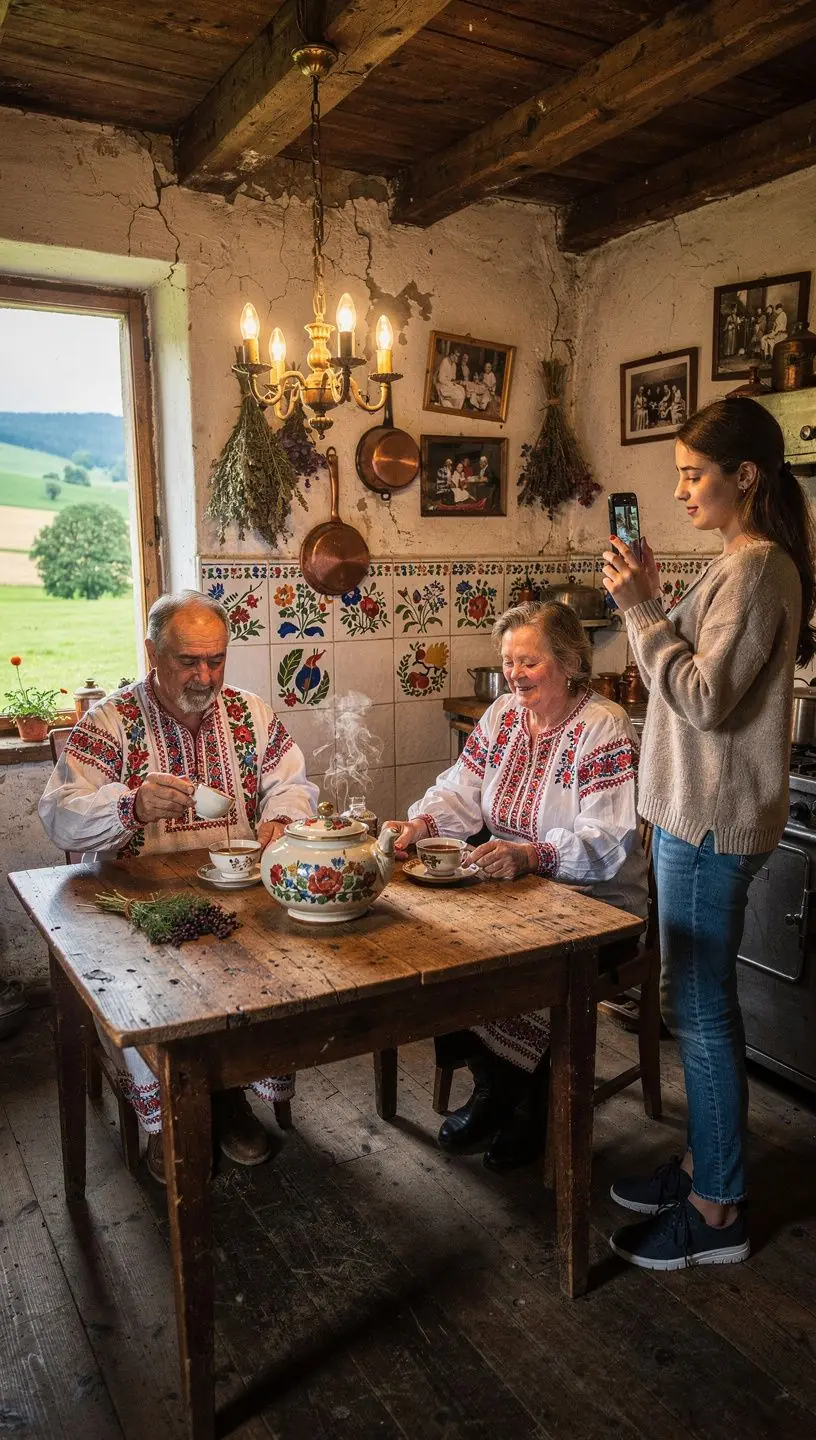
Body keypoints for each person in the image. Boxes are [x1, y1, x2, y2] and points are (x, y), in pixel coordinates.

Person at [602, 397, 815, 1270]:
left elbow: (701, 696)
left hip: (712, 824)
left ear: (746, 477)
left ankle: (717, 1210)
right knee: (695, 1006)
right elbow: (685, 671)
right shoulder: (740, 562)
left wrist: (642, 608)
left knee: (700, 1013)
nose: (682, 489)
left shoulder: (760, 569)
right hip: (694, 818)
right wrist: (647, 602)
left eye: (695, 474)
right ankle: (704, 1164)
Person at [39, 589, 319, 1183]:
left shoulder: (251, 715)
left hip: (235, 897)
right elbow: (59, 814)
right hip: (138, 906)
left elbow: (293, 782)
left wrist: (281, 818)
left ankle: (231, 1098)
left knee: (267, 977)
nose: (204, 675)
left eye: (215, 659)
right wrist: (132, 805)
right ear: (151, 652)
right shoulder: (110, 722)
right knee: (153, 999)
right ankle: (169, 1120)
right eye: (188, 660)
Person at [386, 602, 648, 1172]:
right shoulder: (503, 715)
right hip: (515, 890)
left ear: (570, 663)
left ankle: (524, 1099)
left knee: (508, 962)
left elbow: (606, 839)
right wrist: (423, 824)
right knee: (438, 947)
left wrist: (532, 854)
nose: (514, 674)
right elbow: (460, 789)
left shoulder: (601, 725)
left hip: (598, 905)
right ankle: (494, 1082)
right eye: (509, 661)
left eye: (529, 661)